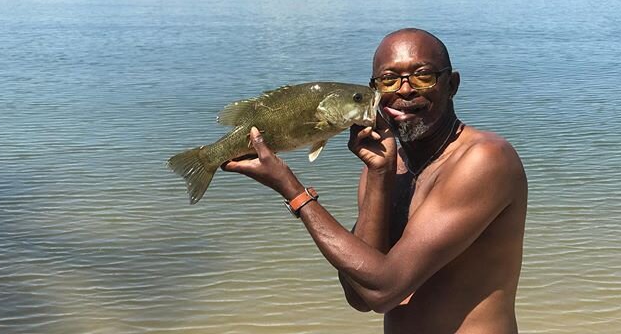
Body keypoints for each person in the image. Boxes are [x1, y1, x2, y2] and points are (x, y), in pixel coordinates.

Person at [222, 28, 527, 333]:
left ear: (452, 85)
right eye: (389, 80)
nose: (405, 90)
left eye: (422, 76)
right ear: (376, 92)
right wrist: (380, 176)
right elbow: (360, 294)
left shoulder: (484, 159)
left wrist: (293, 190)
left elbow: (384, 290)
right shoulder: (384, 166)